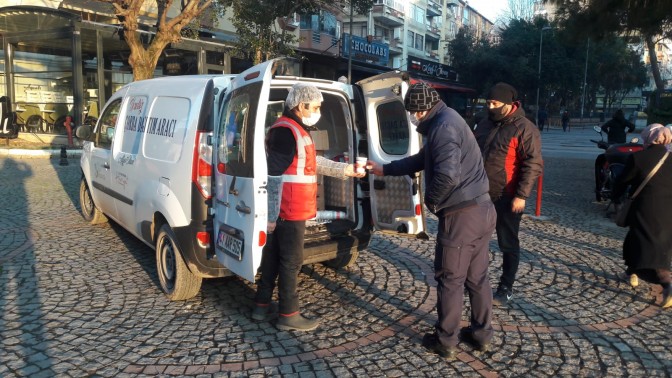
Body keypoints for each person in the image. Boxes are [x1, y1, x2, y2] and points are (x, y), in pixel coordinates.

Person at [368, 83, 495, 360]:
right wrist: (384, 168)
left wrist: (432, 202)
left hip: (462, 216)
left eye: (413, 112)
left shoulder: (443, 128)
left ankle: (446, 340)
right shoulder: (448, 119)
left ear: (422, 109)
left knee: (450, 279)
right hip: (482, 209)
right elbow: (422, 160)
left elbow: (448, 176)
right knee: (477, 277)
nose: (412, 117)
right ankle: (481, 335)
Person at [251, 83, 365, 331]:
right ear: (300, 105)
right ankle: (288, 314)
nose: (317, 111)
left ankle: (261, 306)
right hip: (288, 210)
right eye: (315, 106)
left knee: (272, 257)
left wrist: (343, 170)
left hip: (289, 209)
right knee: (291, 261)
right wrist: (270, 215)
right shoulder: (287, 131)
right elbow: (273, 175)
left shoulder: (295, 129)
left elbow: (313, 162)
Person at [474, 82, 543, 307]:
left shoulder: (524, 128)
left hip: (507, 196)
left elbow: (533, 163)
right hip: (479, 194)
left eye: (495, 103)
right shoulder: (484, 124)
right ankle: (474, 280)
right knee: (474, 240)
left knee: (507, 243)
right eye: (488, 102)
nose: (490, 107)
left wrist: (521, 195)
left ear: (509, 104)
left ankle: (506, 286)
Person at [612, 124, 672, 308]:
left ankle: (667, 283)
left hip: (644, 209)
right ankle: (631, 272)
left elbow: (622, 181)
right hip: (668, 210)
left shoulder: (638, 157)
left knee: (647, 247)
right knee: (647, 242)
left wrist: (615, 198)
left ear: (648, 137)